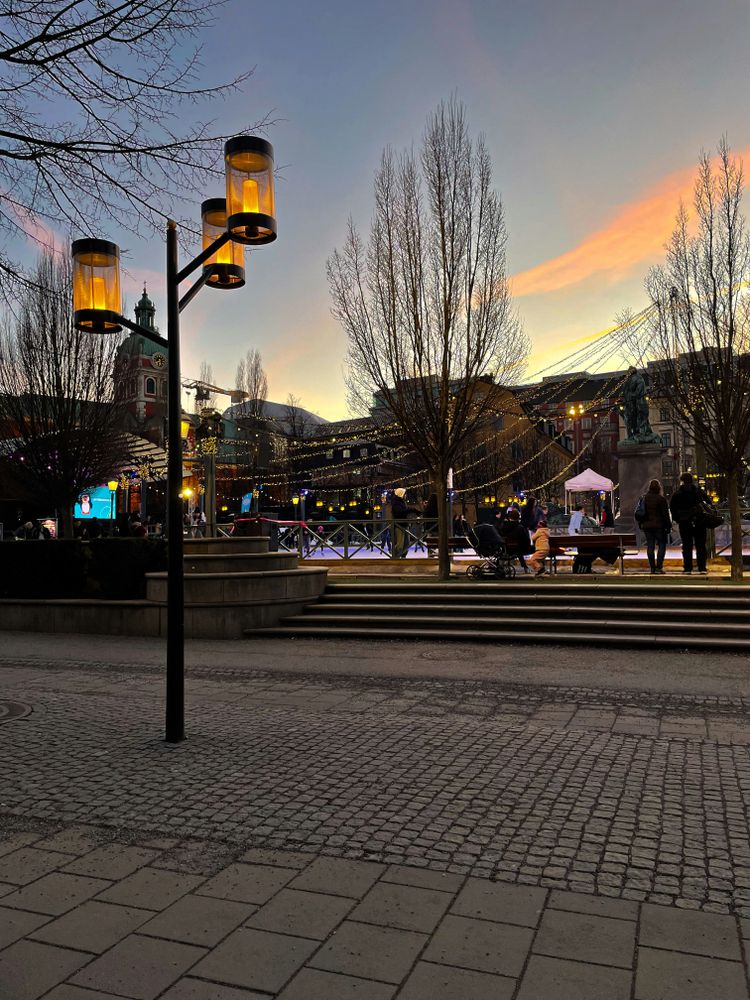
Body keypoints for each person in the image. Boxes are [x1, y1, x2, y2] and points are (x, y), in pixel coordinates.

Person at [669, 472, 709, 575]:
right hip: (699, 522)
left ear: (682, 481)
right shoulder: (699, 492)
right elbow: (709, 504)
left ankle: (688, 568)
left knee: (687, 546)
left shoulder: (677, 494)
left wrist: (678, 519)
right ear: (692, 480)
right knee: (701, 546)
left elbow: (673, 509)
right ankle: (702, 567)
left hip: (685, 522)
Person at [641, 479, 671, 574]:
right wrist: (668, 526)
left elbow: (640, 513)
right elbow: (665, 515)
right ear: (659, 488)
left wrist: (641, 524)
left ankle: (652, 568)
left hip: (647, 525)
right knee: (661, 545)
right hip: (659, 526)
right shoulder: (661, 499)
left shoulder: (644, 498)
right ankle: (659, 567)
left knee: (650, 546)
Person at [500, 508, 532, 572]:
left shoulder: (504, 526)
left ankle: (502, 565)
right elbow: (526, 540)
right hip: (520, 548)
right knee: (519, 550)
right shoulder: (520, 527)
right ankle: (525, 567)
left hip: (506, 548)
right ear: (518, 517)